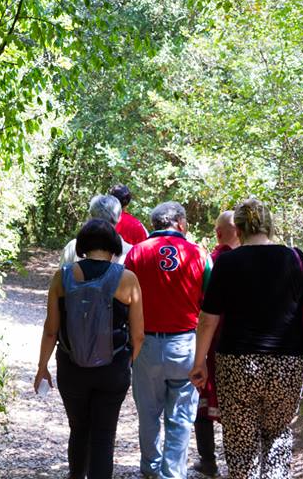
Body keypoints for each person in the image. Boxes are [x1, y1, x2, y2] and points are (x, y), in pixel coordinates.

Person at [189, 199, 303, 479]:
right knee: (278, 437)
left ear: (240, 229)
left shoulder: (227, 262)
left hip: (236, 365)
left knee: (240, 444)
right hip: (287, 365)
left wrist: (200, 363)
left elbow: (208, 319)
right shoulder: (294, 258)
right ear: (270, 225)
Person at [35, 219, 145, 479]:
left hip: (72, 368)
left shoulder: (62, 276)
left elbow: (51, 329)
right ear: (113, 246)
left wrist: (42, 367)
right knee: (104, 435)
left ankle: (76, 475)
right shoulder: (127, 279)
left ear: (83, 245)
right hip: (113, 368)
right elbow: (139, 334)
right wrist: (127, 363)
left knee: (79, 428)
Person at [124, 202, 212, 479]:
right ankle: (173, 472)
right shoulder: (199, 253)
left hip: (145, 343)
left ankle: (150, 467)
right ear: (181, 224)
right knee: (181, 416)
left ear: (154, 225)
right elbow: (211, 303)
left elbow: (124, 299)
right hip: (185, 343)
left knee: (148, 413)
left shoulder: (137, 252)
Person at [192, 211, 240, 477]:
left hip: (213, 341)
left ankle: (208, 459)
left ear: (219, 233)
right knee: (239, 403)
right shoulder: (255, 260)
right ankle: (239, 463)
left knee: (205, 395)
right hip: (244, 342)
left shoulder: (213, 261)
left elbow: (203, 306)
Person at [60, 194, 132, 266]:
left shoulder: (72, 247)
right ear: (119, 219)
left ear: (91, 217)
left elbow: (62, 275)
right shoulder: (130, 252)